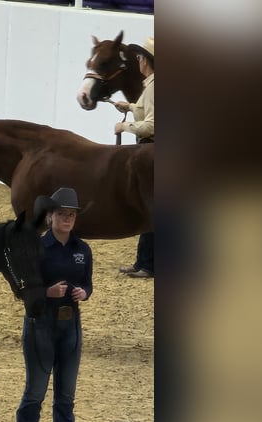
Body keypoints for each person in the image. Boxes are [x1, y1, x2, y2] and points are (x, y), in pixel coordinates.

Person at [12, 187, 93, 422]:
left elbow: (89, 284)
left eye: (71, 215)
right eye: (62, 214)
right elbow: (23, 289)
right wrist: (47, 292)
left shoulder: (82, 250)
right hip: (41, 323)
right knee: (35, 391)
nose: (67, 219)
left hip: (70, 323)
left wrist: (84, 293)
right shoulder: (35, 247)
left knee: (66, 395)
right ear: (50, 217)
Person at [113, 36, 154, 279]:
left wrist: (124, 128)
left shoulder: (155, 85)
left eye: (139, 57)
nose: (137, 61)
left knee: (150, 208)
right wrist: (128, 107)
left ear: (147, 61)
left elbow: (151, 124)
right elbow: (144, 110)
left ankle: (148, 265)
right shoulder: (152, 84)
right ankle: (143, 262)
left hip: (152, 150)